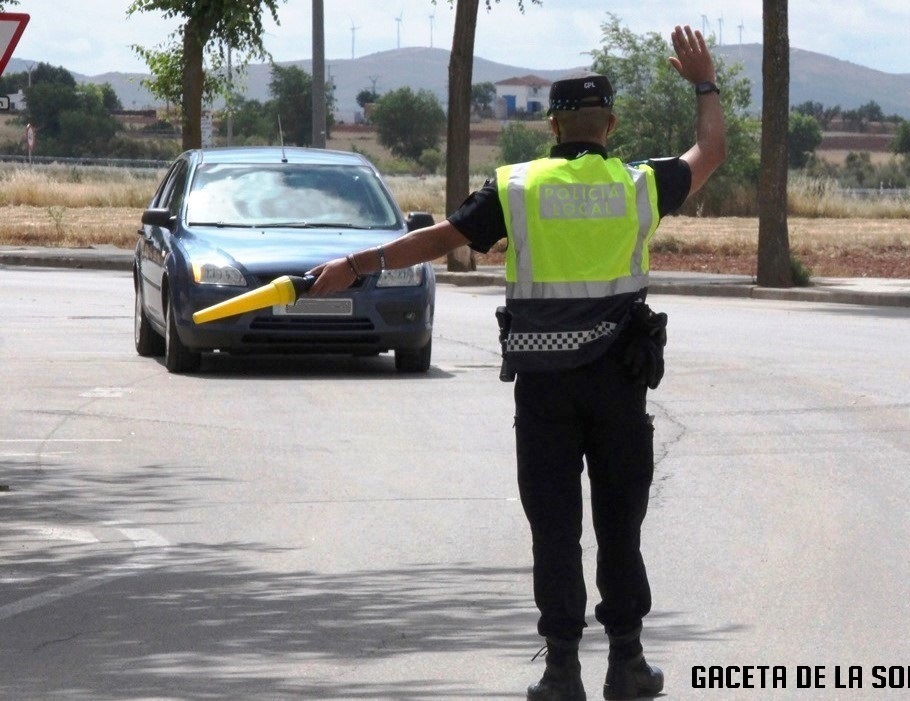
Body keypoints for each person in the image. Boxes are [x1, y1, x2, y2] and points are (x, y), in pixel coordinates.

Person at [307, 23, 726, 701]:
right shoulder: (637, 185)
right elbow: (710, 150)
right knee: (620, 523)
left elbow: (441, 238)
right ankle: (627, 662)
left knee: (555, 526)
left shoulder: (518, 187)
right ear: (611, 124)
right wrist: (704, 82)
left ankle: (562, 669)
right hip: (620, 384)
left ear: (552, 124)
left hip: (545, 387)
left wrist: (357, 264)